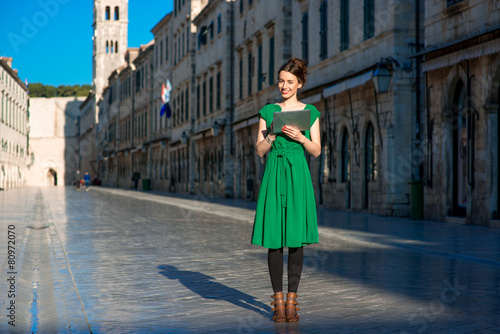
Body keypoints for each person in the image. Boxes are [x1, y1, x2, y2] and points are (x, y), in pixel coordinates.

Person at [252, 57, 321, 323]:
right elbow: (259, 150)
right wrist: (270, 134)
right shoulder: (268, 111)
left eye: (289, 82)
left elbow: (315, 150)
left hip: (298, 174)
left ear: (300, 84)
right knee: (274, 238)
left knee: (294, 238)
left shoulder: (310, 112)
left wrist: (301, 137)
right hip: (274, 172)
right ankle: (277, 302)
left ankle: (293, 301)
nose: (284, 86)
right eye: (281, 80)